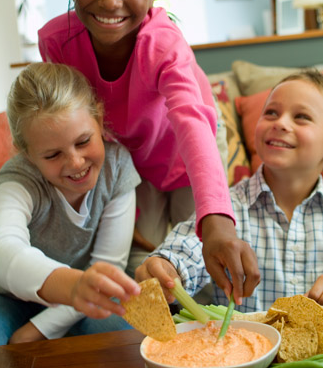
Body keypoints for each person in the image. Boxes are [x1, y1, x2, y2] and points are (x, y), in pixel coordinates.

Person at [37, 0, 259, 304]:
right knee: (146, 257)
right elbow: (65, 119)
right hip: (134, 157)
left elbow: (193, 121)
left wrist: (218, 222)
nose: (110, 0)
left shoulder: (163, 44)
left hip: (192, 146)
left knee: (199, 248)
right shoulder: (57, 42)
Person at [136, 70, 323, 311]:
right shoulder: (226, 209)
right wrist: (165, 267)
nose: (280, 123)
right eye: (271, 113)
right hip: (243, 348)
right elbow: (189, 249)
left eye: (301, 117)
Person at [0, 63, 142, 347]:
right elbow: (2, 248)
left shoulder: (117, 168)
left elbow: (108, 266)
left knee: (125, 334)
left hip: (82, 300)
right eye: (52, 155)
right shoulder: (17, 181)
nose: (75, 163)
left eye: (83, 141)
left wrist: (39, 330)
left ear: (98, 119)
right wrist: (72, 286)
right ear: (27, 153)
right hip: (7, 298)